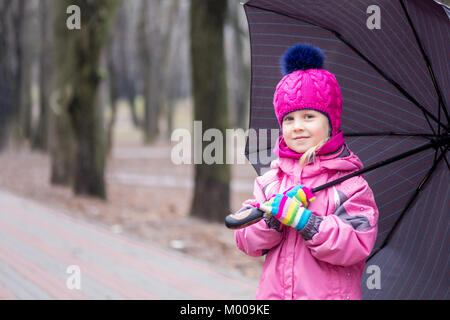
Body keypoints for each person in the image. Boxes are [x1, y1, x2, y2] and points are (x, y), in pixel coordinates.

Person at [234, 44, 379, 300]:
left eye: (309, 116)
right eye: (289, 119)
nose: (297, 127)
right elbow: (247, 241)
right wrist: (271, 220)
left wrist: (305, 221)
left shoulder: (349, 185)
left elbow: (356, 244)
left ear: (330, 122)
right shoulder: (271, 181)